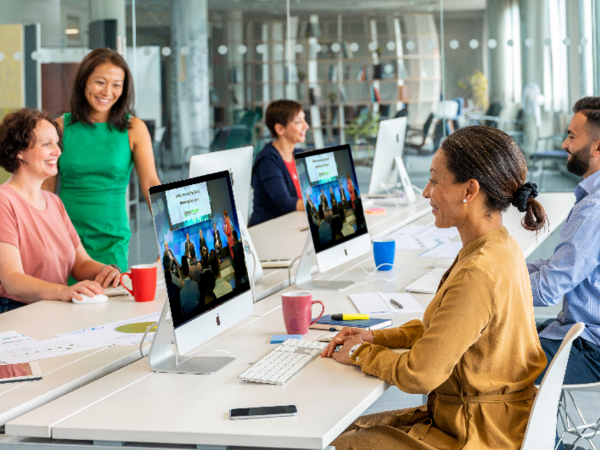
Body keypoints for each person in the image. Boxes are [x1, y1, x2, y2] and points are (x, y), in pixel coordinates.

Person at [322, 126, 548, 450]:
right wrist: (375, 337)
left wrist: (360, 353)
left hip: (475, 435)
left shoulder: (478, 273)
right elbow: (441, 331)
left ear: (469, 190)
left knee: (342, 443)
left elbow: (420, 374)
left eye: (435, 181)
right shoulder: (501, 247)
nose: (426, 192)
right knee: (351, 430)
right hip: (493, 420)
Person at [42, 48, 161, 273]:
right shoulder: (58, 128)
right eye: (100, 82)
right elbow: (45, 190)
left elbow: (151, 184)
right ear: (84, 81)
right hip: (64, 237)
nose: (108, 91)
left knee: (111, 302)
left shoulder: (134, 128)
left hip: (112, 238)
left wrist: (170, 234)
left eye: (117, 85)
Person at [0, 109, 121, 313]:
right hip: (16, 312)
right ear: (18, 151)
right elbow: (12, 279)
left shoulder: (54, 202)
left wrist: (106, 271)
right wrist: (62, 291)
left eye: (57, 143)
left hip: (54, 309)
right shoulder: (4, 201)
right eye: (47, 144)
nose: (58, 151)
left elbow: (81, 263)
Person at [529, 97, 600, 387]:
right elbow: (560, 266)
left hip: (589, 349)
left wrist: (489, 286)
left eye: (571, 136)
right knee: (494, 335)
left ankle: (540, 434)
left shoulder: (594, 209)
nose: (564, 145)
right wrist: (503, 270)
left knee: (485, 360)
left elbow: (547, 290)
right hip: (576, 331)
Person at [249, 100, 308, 226]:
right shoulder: (268, 160)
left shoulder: (299, 154)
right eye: (298, 122)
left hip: (294, 225)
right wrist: (321, 202)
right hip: (269, 231)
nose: (306, 126)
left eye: (304, 120)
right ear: (280, 129)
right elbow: (284, 202)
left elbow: (313, 191)